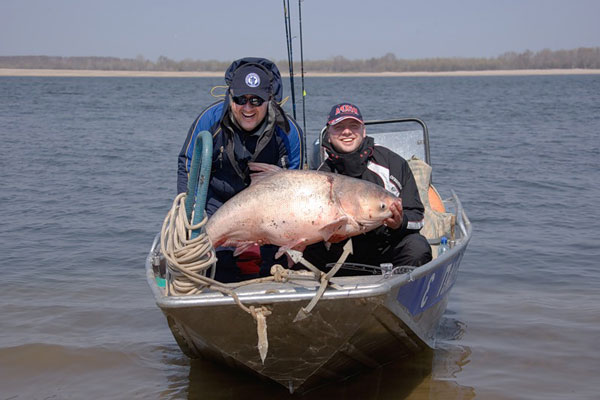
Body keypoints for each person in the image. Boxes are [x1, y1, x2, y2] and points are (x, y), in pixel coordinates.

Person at [177, 57, 303, 282]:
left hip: (269, 206)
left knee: (277, 266)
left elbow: (294, 187)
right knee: (219, 267)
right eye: (240, 99)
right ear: (229, 95)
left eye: (256, 100)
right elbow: (187, 164)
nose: (247, 108)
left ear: (269, 100)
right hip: (219, 199)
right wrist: (191, 217)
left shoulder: (289, 131)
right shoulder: (210, 121)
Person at [303, 102, 431, 273]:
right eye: (339, 126)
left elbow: (417, 217)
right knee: (303, 253)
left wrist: (399, 223)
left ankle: (403, 294)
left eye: (353, 126)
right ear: (328, 133)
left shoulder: (392, 163)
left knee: (417, 247)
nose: (347, 131)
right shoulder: (320, 175)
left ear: (363, 131)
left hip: (386, 249)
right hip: (340, 254)